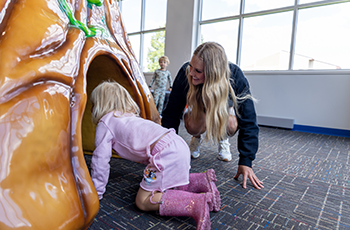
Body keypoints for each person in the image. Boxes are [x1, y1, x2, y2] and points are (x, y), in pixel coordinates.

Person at [90, 80, 221, 230]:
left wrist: (96, 191)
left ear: (99, 105)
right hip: (178, 143)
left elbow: (100, 161)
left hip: (165, 153)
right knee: (169, 185)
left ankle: (195, 204)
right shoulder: (130, 118)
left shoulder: (105, 123)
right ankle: (202, 181)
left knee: (143, 201)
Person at [161, 42, 264, 190]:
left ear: (213, 73)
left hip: (221, 114)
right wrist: (166, 152)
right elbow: (171, 113)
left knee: (232, 124)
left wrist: (246, 161)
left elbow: (249, 121)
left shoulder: (234, 75)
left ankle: (223, 139)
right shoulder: (186, 72)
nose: (191, 73)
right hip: (197, 113)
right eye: (191, 66)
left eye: (197, 70)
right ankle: (196, 138)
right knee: (192, 125)